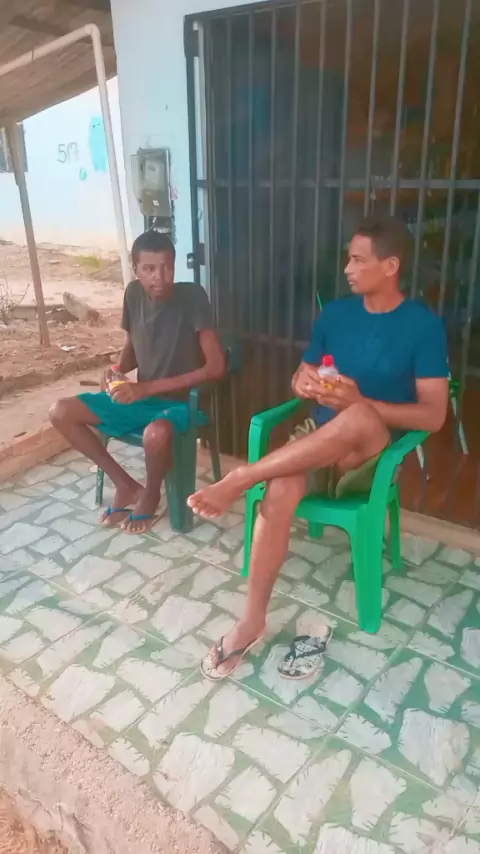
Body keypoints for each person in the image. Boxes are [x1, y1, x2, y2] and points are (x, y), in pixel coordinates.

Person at [188, 215, 449, 680]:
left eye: (358, 260)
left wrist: (360, 402)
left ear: (390, 266)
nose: (347, 268)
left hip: (369, 457)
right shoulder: (336, 315)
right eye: (348, 258)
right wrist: (303, 383)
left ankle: (243, 476)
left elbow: (434, 415)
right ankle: (251, 621)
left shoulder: (423, 327)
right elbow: (303, 373)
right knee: (280, 491)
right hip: (317, 439)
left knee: (361, 416)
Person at [50, 231, 226, 534]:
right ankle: (126, 485)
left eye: (167, 267)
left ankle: (151, 493)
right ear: (136, 269)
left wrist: (146, 388)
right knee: (61, 412)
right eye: (149, 269)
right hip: (141, 400)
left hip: (182, 404)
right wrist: (116, 370)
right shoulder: (133, 294)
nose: (160, 276)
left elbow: (216, 367)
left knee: (155, 435)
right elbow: (133, 346)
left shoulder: (193, 297)